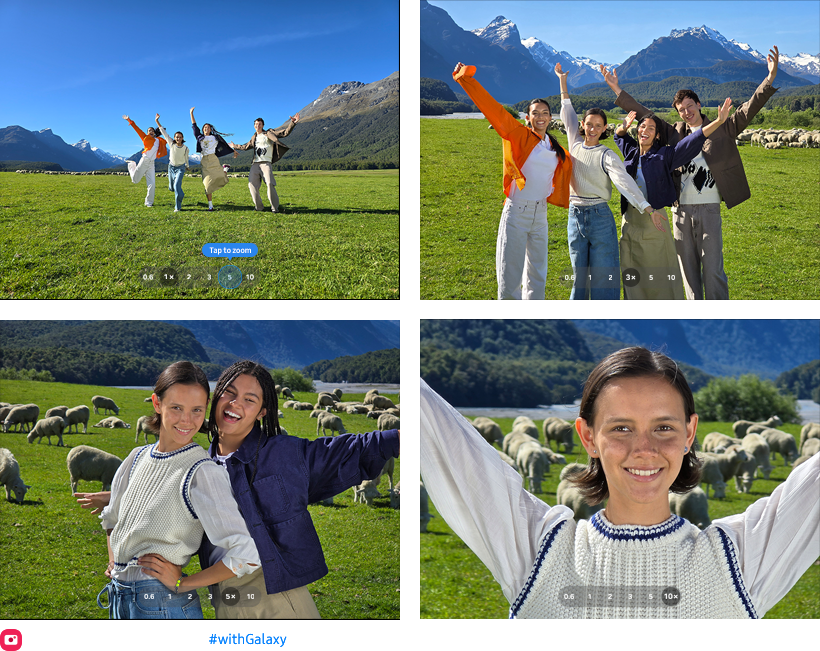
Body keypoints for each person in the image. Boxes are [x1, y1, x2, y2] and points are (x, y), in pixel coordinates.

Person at [420, 347, 819, 619]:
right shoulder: (539, 553)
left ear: (689, 432)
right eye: (621, 428)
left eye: (664, 427)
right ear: (588, 436)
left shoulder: (738, 564)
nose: (644, 449)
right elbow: (443, 435)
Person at [197, 360, 400, 618]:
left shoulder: (284, 454)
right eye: (230, 392)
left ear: (262, 412)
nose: (235, 403)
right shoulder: (199, 466)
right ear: (217, 396)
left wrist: (401, 438)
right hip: (225, 602)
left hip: (277, 599)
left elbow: (348, 450)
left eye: (250, 399)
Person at [600, 46, 780, 299]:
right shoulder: (673, 133)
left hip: (709, 207)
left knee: (713, 269)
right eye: (681, 109)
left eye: (689, 105)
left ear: (698, 104)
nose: (686, 111)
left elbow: (749, 108)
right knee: (688, 270)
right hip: (679, 209)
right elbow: (643, 113)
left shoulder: (723, 126)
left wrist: (769, 78)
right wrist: (616, 89)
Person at [97, 361, 259, 619]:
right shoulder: (135, 458)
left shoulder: (202, 471)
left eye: (197, 410)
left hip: (161, 603)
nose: (187, 420)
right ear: (157, 404)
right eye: (176, 408)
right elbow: (111, 520)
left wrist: (184, 583)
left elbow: (248, 553)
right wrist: (115, 561)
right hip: (119, 596)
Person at [452, 62, 573, 300]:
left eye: (544, 113)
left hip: (540, 214)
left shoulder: (555, 147)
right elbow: (492, 109)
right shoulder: (518, 134)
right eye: (535, 113)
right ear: (528, 118)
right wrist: (465, 79)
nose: (540, 117)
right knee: (510, 273)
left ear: (551, 117)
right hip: (517, 212)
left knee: (538, 272)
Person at [554, 63, 661, 300]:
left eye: (598, 126)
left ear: (604, 129)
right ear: (583, 125)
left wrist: (647, 208)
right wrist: (563, 81)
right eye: (588, 124)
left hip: (600, 217)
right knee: (578, 276)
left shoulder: (607, 155)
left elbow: (624, 182)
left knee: (605, 277)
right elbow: (567, 111)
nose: (592, 129)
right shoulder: (574, 142)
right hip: (575, 215)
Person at [613, 98, 731, 300]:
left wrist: (717, 123)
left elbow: (690, 143)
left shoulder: (664, 155)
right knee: (632, 269)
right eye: (642, 126)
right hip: (630, 222)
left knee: (659, 271)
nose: (645, 130)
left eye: (651, 128)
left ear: (657, 135)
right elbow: (620, 138)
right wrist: (621, 128)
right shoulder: (632, 153)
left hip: (655, 220)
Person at [229, 115, 300, 213]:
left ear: (262, 126)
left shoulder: (269, 133)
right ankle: (259, 207)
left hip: (266, 163)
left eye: (260, 124)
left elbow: (284, 133)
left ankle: (275, 208)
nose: (257, 126)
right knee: (251, 185)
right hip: (255, 164)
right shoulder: (254, 137)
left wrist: (293, 123)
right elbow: (245, 147)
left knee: (270, 183)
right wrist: (234, 146)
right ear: (254, 126)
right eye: (256, 124)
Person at [189, 107, 237, 211]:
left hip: (213, 158)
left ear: (211, 129)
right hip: (205, 161)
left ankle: (224, 170)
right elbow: (194, 127)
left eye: (208, 127)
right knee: (207, 184)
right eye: (205, 127)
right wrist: (191, 113)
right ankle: (210, 205)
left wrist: (234, 151)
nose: (206, 128)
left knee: (220, 177)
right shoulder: (199, 137)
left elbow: (225, 145)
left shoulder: (215, 138)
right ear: (203, 129)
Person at [123, 115, 168, 207]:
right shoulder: (145, 138)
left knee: (152, 184)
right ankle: (132, 165)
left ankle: (149, 202)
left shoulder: (159, 140)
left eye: (152, 130)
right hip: (144, 161)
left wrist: (157, 120)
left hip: (151, 163)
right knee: (135, 180)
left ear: (154, 132)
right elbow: (137, 129)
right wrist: (129, 120)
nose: (151, 131)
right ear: (147, 133)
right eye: (149, 130)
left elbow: (164, 132)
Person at [155, 113, 189, 213]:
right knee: (171, 188)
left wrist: (187, 166)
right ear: (174, 138)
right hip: (171, 167)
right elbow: (163, 131)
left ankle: (177, 207)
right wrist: (157, 121)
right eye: (176, 137)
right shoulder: (171, 143)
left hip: (180, 168)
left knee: (177, 185)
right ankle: (180, 193)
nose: (178, 138)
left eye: (180, 137)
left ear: (182, 138)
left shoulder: (186, 148)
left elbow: (186, 158)